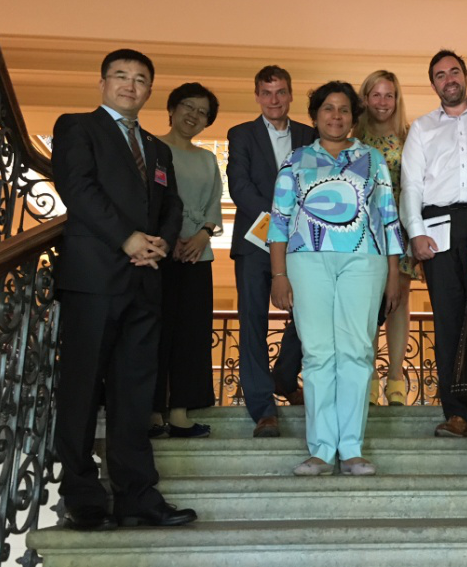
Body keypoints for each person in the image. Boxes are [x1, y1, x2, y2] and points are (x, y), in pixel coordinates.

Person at [51, 48, 196, 529]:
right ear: (103, 83)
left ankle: (137, 495)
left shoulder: (157, 148)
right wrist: (126, 238)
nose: (130, 85)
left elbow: (172, 205)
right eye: (120, 76)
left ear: (149, 90)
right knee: (81, 389)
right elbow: (78, 188)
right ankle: (83, 495)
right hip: (94, 280)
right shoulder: (77, 127)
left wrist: (160, 243)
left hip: (145, 280)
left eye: (140, 79)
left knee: (135, 394)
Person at [268, 81, 403, 477]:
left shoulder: (372, 159)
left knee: (357, 351)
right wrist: (279, 274)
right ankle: (322, 450)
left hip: (365, 259)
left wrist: (394, 273)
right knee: (318, 353)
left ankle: (352, 449)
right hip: (306, 261)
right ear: (315, 116)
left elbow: (389, 217)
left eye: (344, 109)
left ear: (353, 117)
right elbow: (278, 221)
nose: (336, 116)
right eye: (328, 108)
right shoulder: (296, 160)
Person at [400, 49, 467, 437]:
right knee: (448, 323)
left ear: (466, 75)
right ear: (433, 84)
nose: (449, 79)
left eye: (454, 71)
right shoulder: (421, 128)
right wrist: (416, 232)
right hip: (438, 228)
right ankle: (457, 413)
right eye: (440, 75)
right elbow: (411, 184)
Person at [226, 66, 315, 438]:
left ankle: (285, 375)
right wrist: (278, 221)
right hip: (254, 242)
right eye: (266, 92)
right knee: (252, 324)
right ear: (257, 96)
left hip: (303, 242)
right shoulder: (241, 135)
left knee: (309, 314)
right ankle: (263, 409)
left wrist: (295, 226)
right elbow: (239, 186)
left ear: (291, 94)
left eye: (280, 92)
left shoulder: (310, 135)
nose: (274, 99)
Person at [149, 82, 223, 439]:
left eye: (203, 112)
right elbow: (145, 199)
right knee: (154, 331)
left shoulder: (208, 159)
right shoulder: (150, 147)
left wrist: (202, 235)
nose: (194, 115)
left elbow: (214, 204)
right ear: (172, 108)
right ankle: (151, 411)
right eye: (188, 106)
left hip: (198, 254)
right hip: (156, 252)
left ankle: (180, 412)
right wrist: (169, 236)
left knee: (191, 333)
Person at [351, 70, 416, 405]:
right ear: (365, 99)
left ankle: (395, 378)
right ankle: (370, 378)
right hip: (360, 232)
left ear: (397, 99)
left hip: (399, 229)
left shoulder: (410, 136)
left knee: (398, 300)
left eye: (389, 95)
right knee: (366, 303)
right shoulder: (351, 137)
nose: (382, 102)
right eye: (375, 94)